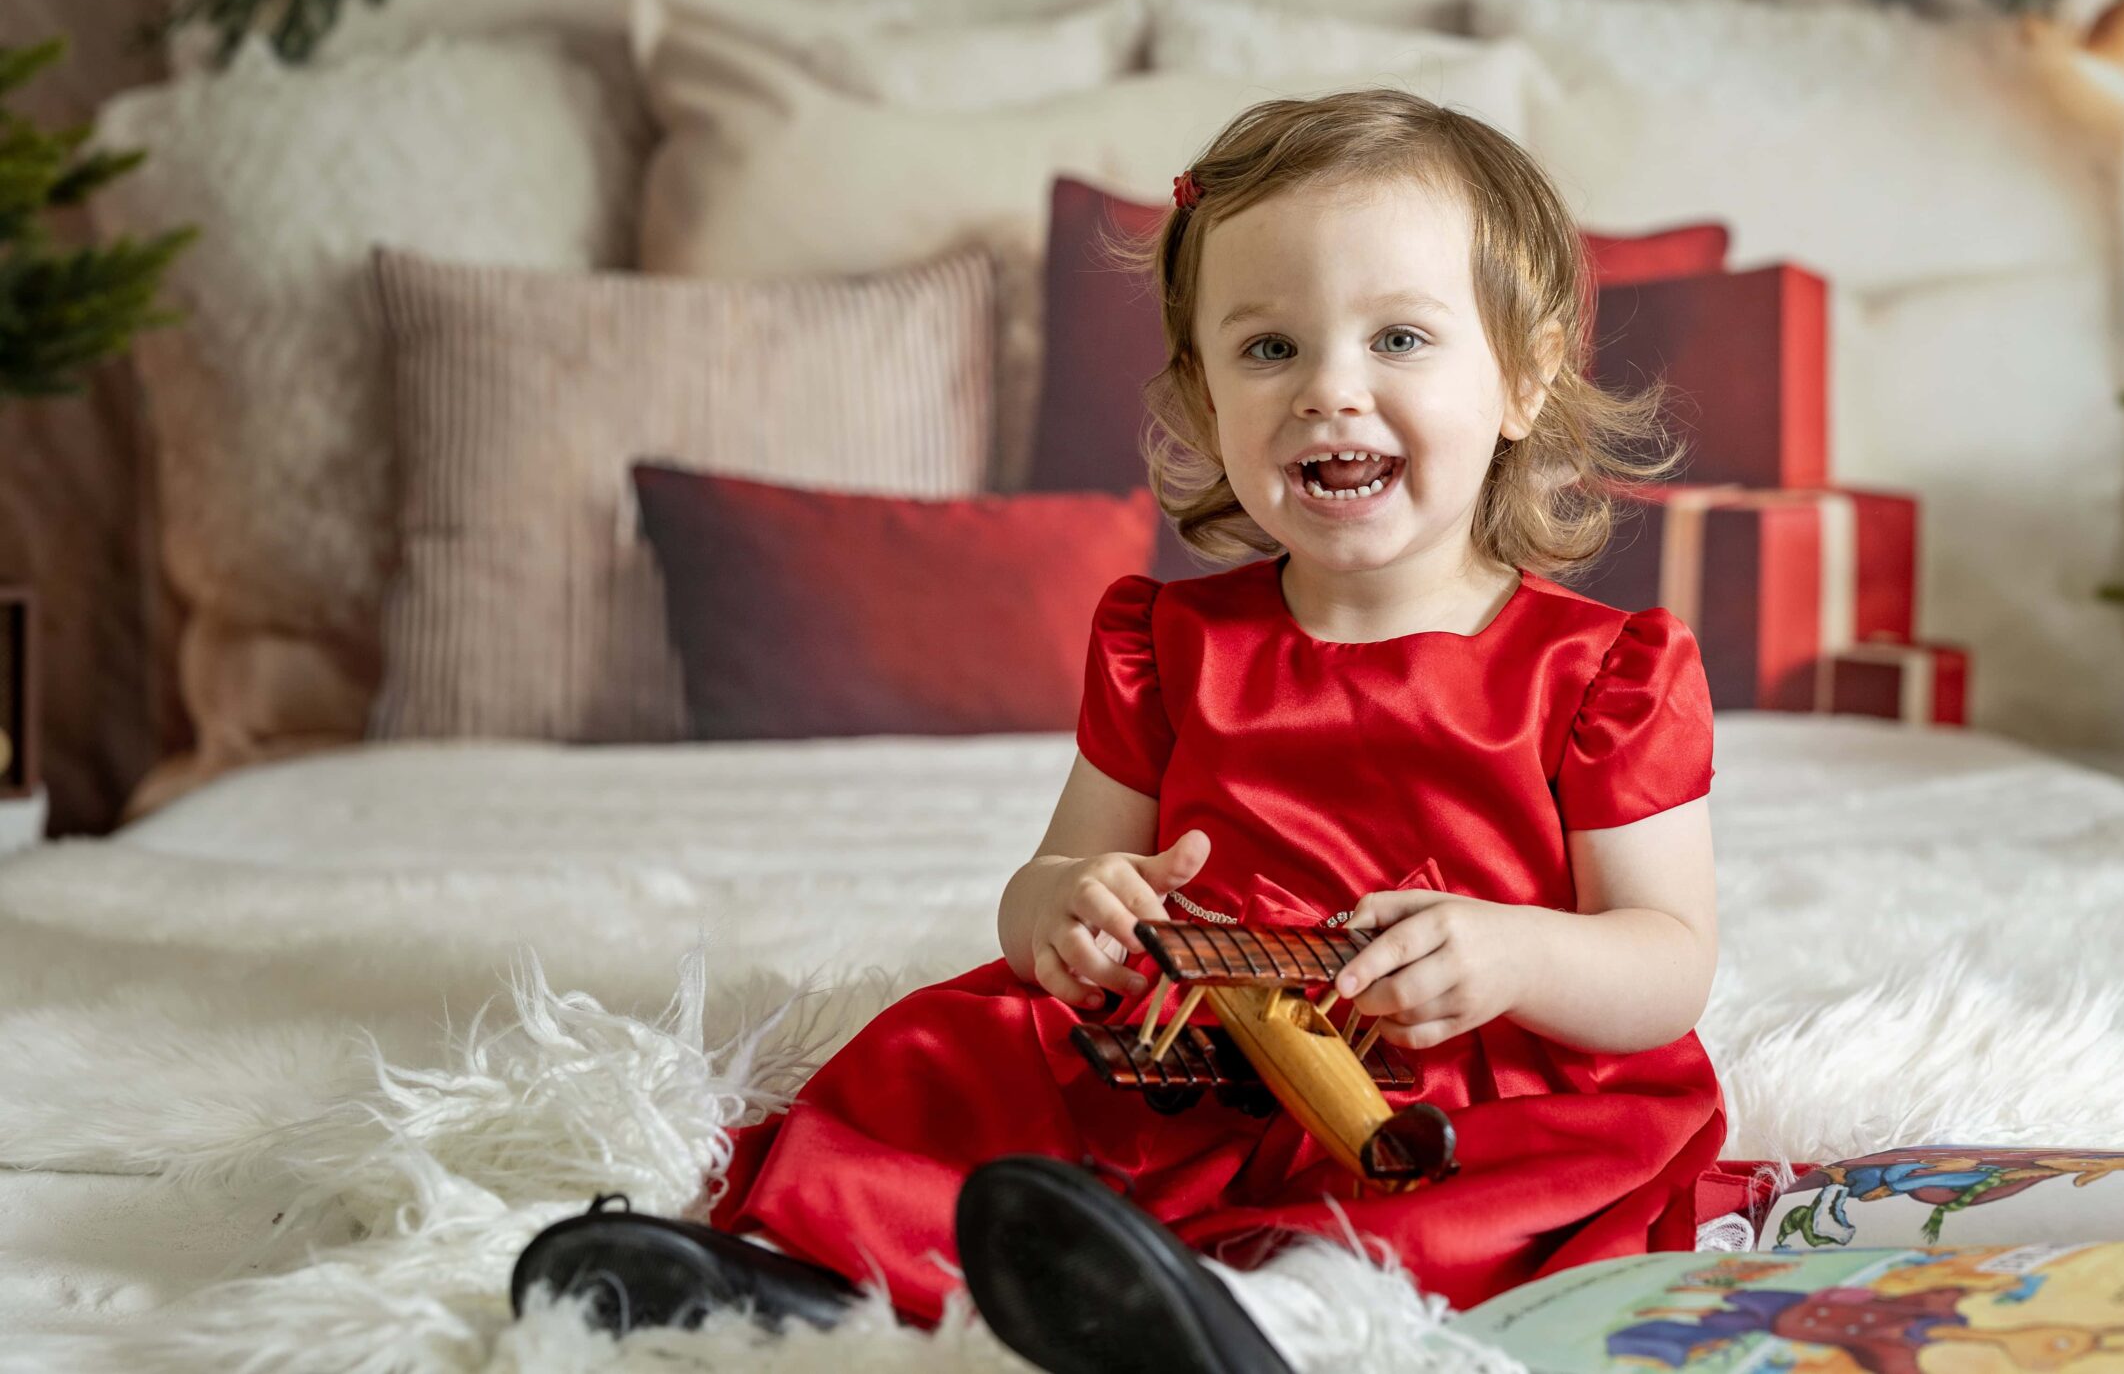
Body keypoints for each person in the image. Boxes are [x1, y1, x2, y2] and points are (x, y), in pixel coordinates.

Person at [512, 88, 1758, 1370]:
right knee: (933, 1064)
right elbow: (1051, 879)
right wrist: (1069, 910)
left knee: (1434, 1215)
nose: (1331, 391)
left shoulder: (1601, 671)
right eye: (1269, 349)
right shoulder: (1171, 644)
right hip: (1190, 1063)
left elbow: (1666, 963)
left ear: (1523, 375)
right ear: (1202, 390)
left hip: (1450, 1085)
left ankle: (1252, 1326)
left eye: (1397, 338)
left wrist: (1513, 956)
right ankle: (813, 1290)